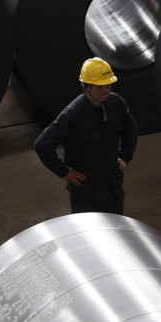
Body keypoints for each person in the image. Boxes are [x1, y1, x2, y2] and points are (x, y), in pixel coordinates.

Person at [35, 57, 138, 214]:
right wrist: (64, 172)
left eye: (108, 84)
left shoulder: (116, 104)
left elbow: (131, 130)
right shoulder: (73, 114)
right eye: (100, 86)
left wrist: (125, 156)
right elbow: (42, 145)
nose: (106, 90)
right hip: (86, 194)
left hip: (113, 188)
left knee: (115, 231)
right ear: (86, 88)